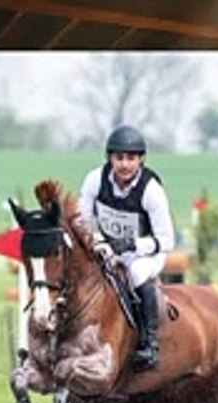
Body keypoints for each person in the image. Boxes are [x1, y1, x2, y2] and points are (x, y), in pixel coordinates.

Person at [79, 125, 175, 371]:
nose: (124, 165)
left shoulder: (151, 190)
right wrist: (98, 242)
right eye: (119, 158)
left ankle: (149, 343)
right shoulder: (94, 180)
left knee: (137, 273)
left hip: (146, 252)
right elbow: (82, 222)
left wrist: (132, 244)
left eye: (131, 158)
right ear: (110, 158)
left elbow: (166, 239)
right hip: (106, 248)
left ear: (141, 159)